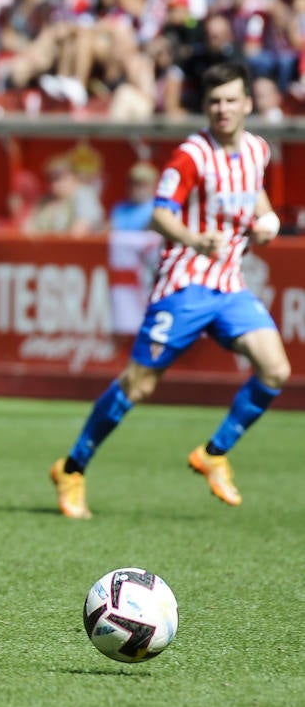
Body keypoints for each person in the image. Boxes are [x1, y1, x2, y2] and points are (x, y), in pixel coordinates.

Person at [50, 61, 292, 520]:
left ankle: (214, 453)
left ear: (246, 103)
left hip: (229, 285)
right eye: (215, 101)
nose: (223, 109)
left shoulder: (258, 149)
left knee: (276, 370)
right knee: (137, 386)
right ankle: (72, 467)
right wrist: (194, 239)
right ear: (207, 106)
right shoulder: (192, 154)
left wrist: (267, 221)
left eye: (231, 100)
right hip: (184, 284)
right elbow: (161, 214)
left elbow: (255, 198)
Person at [107, 160, 157, 232]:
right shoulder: (120, 207)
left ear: (153, 186)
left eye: (142, 184)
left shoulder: (159, 209)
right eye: (133, 183)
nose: (136, 188)